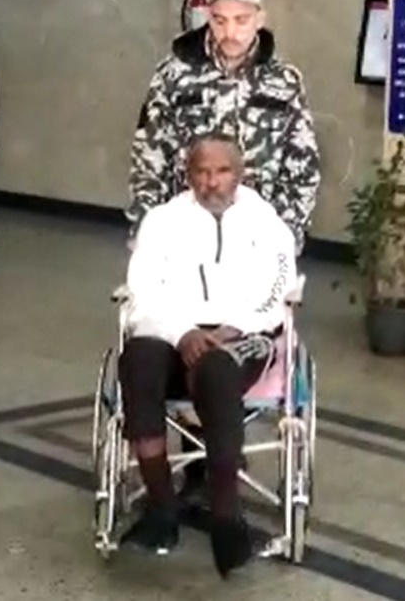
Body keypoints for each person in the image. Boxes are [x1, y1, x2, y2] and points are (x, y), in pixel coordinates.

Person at [125, 0, 320, 494]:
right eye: (219, 19)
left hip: (255, 242)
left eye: (241, 19)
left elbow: (303, 166)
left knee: (235, 351)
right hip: (184, 238)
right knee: (174, 343)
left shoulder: (284, 81)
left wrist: (283, 242)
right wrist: (148, 235)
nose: (231, 31)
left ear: (259, 19)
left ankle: (222, 455)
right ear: (205, 17)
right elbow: (148, 160)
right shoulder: (174, 75)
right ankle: (192, 456)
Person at [119, 135, 297, 577]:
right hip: (173, 331)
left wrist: (230, 328)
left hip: (244, 334)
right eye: (201, 171)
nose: (210, 181)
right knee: (137, 360)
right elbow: (143, 291)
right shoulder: (162, 221)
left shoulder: (266, 223)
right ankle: (162, 507)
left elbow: (278, 289)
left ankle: (225, 516)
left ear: (240, 174)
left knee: (217, 369)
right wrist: (183, 333)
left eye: (221, 171)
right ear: (188, 174)